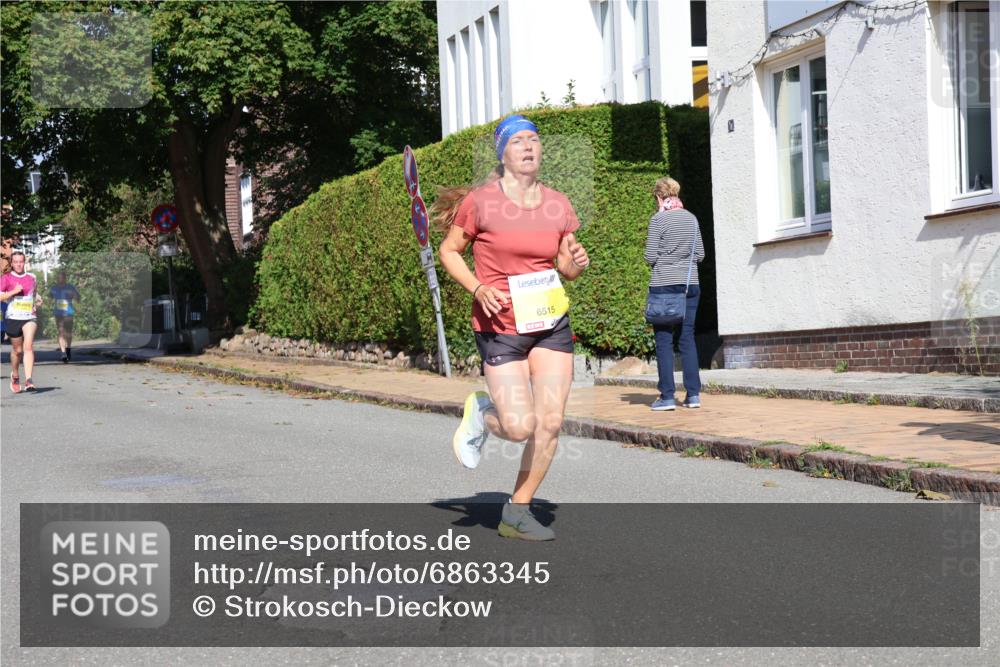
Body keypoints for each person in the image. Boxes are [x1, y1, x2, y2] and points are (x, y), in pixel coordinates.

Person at [435, 114, 589, 541]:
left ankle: (516, 511)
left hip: (549, 322)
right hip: (500, 324)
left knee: (551, 423)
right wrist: (478, 286)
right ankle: (484, 413)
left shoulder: (558, 204)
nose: (528, 146)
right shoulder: (481, 202)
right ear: (502, 153)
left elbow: (564, 266)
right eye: (518, 140)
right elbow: (449, 252)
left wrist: (573, 266)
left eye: (534, 140)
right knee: (519, 426)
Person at [644, 176, 704, 411]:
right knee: (687, 337)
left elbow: (649, 256)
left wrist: (666, 260)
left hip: (664, 286)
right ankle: (693, 395)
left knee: (664, 340)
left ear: (659, 196)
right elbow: (699, 254)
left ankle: (667, 396)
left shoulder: (658, 220)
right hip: (690, 284)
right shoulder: (692, 219)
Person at [0, 251, 42, 392]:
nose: (18, 264)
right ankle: (15, 375)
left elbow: (34, 293)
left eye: (21, 261)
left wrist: (38, 299)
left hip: (29, 316)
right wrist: (13, 292)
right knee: (17, 351)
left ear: (25, 262)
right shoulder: (5, 278)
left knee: (28, 346)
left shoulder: (32, 277)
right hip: (13, 317)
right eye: (16, 262)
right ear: (12, 263)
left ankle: (29, 380)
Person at [49, 270, 81, 363]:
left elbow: (78, 298)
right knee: (61, 331)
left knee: (68, 333)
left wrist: (74, 295)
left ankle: (68, 349)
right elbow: (49, 298)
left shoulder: (70, 287)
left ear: (65, 278)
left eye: (62, 277)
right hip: (58, 313)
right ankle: (63, 353)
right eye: (59, 278)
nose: (60, 279)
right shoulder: (54, 288)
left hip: (69, 313)